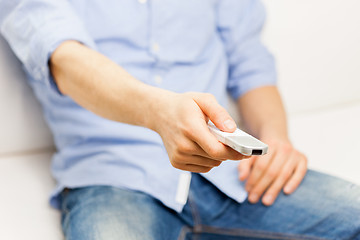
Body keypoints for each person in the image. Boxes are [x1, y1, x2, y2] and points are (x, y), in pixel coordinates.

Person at [1, 1, 359, 239]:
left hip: (235, 175)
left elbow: (249, 62)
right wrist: (159, 113)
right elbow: (64, 60)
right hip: (113, 180)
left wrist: (276, 139)